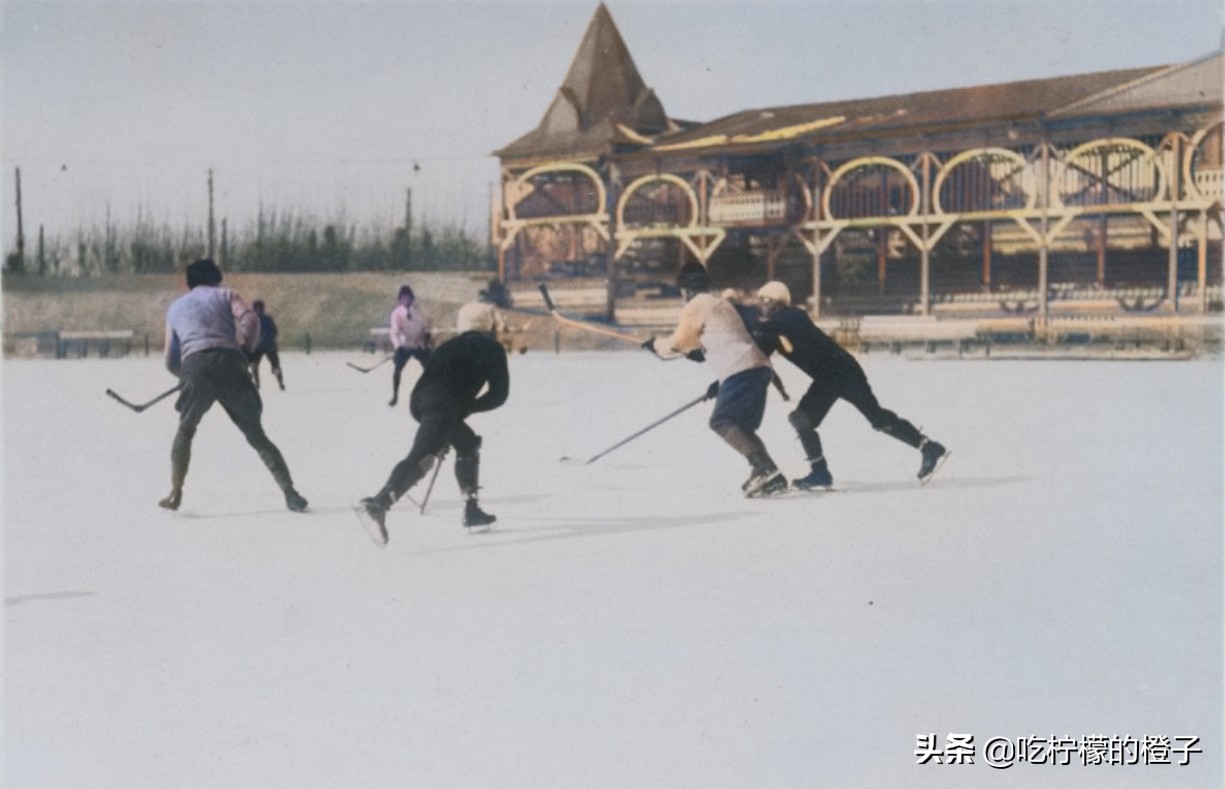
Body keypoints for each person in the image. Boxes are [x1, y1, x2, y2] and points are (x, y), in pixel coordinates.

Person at [752, 280, 949, 488]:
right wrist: (725, 381)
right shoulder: (771, 331)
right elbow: (755, 357)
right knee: (801, 419)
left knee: (878, 419)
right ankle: (820, 473)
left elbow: (773, 325)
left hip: (845, 371)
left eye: (764, 301)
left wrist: (750, 322)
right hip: (827, 378)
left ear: (777, 303)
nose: (761, 306)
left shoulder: (793, 315)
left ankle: (928, 447)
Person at [160, 259, 308, 512]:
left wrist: (186, 377)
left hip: (195, 365)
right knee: (256, 435)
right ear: (215, 278)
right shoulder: (227, 294)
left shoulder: (175, 308)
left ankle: (175, 492)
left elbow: (170, 358)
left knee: (185, 430)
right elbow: (250, 321)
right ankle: (290, 493)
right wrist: (247, 350)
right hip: (231, 363)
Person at [357, 300, 510, 545]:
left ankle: (472, 511)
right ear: (487, 323)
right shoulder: (492, 348)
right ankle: (379, 503)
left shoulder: (447, 346)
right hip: (445, 408)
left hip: (420, 403)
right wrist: (465, 408)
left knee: (468, 444)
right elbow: (498, 395)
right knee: (423, 457)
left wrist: (452, 416)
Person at [643, 262, 787, 497]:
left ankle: (765, 468)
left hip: (739, 370)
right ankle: (771, 474)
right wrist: (707, 365)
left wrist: (655, 345)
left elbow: (677, 343)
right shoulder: (721, 303)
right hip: (758, 368)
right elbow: (721, 339)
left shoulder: (694, 305)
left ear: (686, 290)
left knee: (722, 421)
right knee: (741, 427)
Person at [387, 284, 432, 407]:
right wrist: (398, 346)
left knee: (430, 367)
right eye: (403, 298)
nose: (406, 300)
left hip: (417, 344)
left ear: (412, 298)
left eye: (408, 297)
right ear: (400, 299)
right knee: (397, 369)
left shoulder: (418, 311)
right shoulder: (396, 313)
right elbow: (394, 332)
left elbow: (423, 327)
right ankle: (395, 395)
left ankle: (431, 392)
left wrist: (426, 338)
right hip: (404, 345)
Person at [247, 300, 285, 391]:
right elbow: (275, 332)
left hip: (257, 346)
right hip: (269, 345)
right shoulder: (268, 319)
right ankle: (281, 384)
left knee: (254, 365)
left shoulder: (252, 319)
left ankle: (257, 384)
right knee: (275, 366)